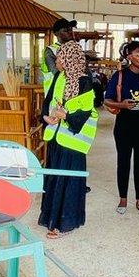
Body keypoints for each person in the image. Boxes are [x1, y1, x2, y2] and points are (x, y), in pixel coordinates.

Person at [38, 42, 97, 239]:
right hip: (56, 137)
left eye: (62, 57)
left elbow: (86, 110)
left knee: (69, 182)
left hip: (73, 141)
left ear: (71, 59)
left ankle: (66, 222)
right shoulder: (58, 76)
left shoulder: (84, 81)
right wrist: (45, 116)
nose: (58, 61)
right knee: (54, 179)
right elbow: (48, 100)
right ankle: (51, 218)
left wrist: (67, 116)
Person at [104, 41, 139, 216]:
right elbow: (107, 100)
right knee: (123, 162)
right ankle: (123, 199)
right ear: (129, 57)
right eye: (138, 54)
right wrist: (122, 104)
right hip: (124, 126)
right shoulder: (119, 76)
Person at [40, 17, 77, 94]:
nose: (69, 32)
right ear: (56, 33)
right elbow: (57, 73)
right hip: (55, 94)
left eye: (70, 30)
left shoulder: (75, 49)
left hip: (73, 94)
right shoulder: (50, 51)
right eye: (65, 30)